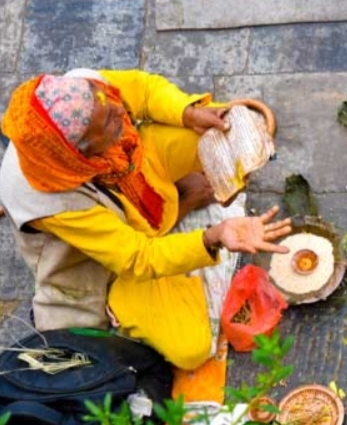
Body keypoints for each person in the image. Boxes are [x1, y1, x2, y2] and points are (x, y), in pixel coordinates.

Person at [0, 70, 291, 370]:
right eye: (109, 122)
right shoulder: (55, 203)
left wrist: (187, 112)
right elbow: (138, 257)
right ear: (80, 153)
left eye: (107, 101)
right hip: (110, 269)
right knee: (191, 349)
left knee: (222, 133)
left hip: (137, 167)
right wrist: (212, 237)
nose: (118, 110)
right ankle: (177, 212)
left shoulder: (87, 95)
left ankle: (177, 199)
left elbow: (145, 91)